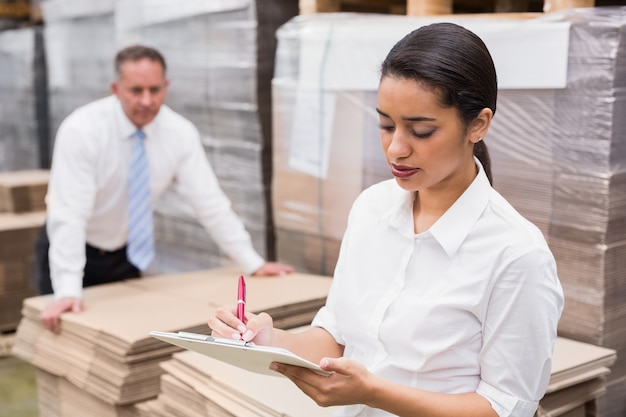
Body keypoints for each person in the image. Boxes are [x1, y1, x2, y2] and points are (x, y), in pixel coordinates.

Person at [208, 22, 564, 417]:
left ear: (478, 124)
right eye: (385, 125)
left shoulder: (516, 255)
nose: (396, 148)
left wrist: (375, 394)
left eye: (421, 131)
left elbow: (505, 407)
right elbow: (338, 338)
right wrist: (268, 340)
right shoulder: (371, 209)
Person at [37, 45, 293, 332]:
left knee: (123, 331)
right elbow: (70, 214)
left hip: (126, 255)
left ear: (166, 87)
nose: (147, 100)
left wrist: (252, 262)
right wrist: (68, 288)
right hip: (72, 249)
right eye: (136, 90)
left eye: (155, 90)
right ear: (116, 88)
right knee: (66, 334)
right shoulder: (81, 131)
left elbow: (209, 202)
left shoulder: (178, 133)